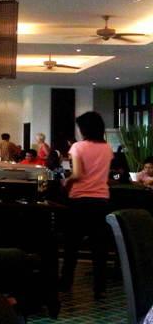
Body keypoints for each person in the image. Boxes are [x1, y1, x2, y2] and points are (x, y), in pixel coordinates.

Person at [60, 111, 113, 300]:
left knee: (71, 245)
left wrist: (66, 181)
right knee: (99, 247)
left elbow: (78, 174)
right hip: (101, 201)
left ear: (84, 129)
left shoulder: (78, 146)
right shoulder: (107, 148)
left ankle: (66, 283)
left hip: (80, 200)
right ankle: (100, 288)